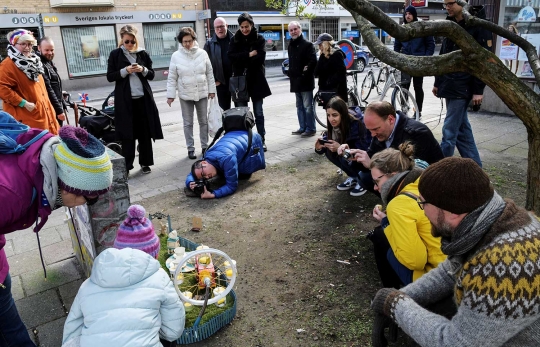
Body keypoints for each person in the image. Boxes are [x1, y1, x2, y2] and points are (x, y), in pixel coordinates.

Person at [371, 157, 540, 347]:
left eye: (423, 203)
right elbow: (450, 270)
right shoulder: (493, 220)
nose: (423, 211)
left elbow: (455, 343)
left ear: (452, 212)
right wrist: (406, 296)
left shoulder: (501, 267)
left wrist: (396, 306)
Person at [0, 115, 113, 347]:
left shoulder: (40, 163)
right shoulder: (14, 195)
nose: (85, 204)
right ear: (71, 184)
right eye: (89, 199)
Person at [62, 204, 185, 347]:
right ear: (155, 255)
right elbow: (173, 331)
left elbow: (71, 333)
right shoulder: (160, 278)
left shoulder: (88, 284)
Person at [368, 142, 446, 289]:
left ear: (393, 175)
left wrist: (387, 223)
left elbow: (416, 261)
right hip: (459, 264)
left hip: (439, 280)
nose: (374, 187)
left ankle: (397, 297)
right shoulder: (424, 182)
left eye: (377, 181)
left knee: (388, 249)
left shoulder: (398, 205)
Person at [432, 2, 492, 167]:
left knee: (449, 132)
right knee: (463, 133)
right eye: (445, 4)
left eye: (451, 3)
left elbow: (484, 62)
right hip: (450, 85)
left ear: (462, 3)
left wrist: (478, 90)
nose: (447, 7)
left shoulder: (477, 24)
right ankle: (476, 169)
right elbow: (443, 56)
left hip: (463, 87)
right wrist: (438, 81)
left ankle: (440, 171)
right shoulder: (450, 24)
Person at [339, 100, 443, 194]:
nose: (372, 135)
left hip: (431, 185)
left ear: (391, 119)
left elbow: (412, 173)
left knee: (374, 177)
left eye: (375, 129)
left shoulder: (416, 133)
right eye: (370, 130)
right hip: (404, 178)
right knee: (364, 177)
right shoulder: (382, 129)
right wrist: (354, 157)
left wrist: (372, 164)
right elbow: (371, 157)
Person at [107, 24, 163, 175]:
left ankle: (145, 163)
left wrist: (142, 69)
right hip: (125, 101)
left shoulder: (142, 54)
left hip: (143, 100)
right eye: (127, 41)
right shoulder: (115, 54)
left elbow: (151, 74)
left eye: (132, 41)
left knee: (145, 133)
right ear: (122, 40)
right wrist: (125, 71)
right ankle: (127, 166)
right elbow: (110, 76)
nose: (130, 44)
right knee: (127, 135)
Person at [167, 27, 216, 160]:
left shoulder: (202, 53)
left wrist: (212, 90)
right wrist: (170, 95)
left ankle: (205, 146)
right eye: (184, 41)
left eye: (189, 41)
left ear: (194, 40)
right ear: (181, 42)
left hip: (201, 93)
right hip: (185, 94)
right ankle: (190, 148)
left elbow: (209, 73)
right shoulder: (176, 56)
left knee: (203, 121)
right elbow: (172, 77)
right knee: (188, 123)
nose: (187, 44)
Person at [0, 29, 60, 134]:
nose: (27, 47)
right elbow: (2, 89)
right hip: (26, 118)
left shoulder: (35, 62)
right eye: (23, 44)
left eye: (30, 44)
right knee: (36, 147)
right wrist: (23, 103)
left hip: (44, 115)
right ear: (14, 44)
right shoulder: (7, 65)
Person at [228, 12, 272, 151]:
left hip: (257, 80)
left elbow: (260, 59)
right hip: (240, 82)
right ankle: (246, 141)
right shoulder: (234, 39)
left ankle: (261, 139)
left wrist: (242, 59)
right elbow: (231, 58)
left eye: (246, 26)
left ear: (251, 25)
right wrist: (248, 55)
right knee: (242, 114)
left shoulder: (259, 38)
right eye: (242, 27)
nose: (244, 29)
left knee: (258, 113)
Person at [314, 97, 370, 197]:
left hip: (366, 159)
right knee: (329, 150)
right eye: (328, 115)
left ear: (343, 114)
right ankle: (354, 177)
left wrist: (341, 148)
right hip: (350, 156)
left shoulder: (357, 124)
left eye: (334, 115)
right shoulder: (334, 125)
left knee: (344, 155)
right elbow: (325, 143)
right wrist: (319, 147)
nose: (331, 119)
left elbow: (363, 150)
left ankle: (364, 180)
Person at [185, 130, 266, 199]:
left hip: (254, 141)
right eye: (204, 177)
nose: (207, 177)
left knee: (242, 175)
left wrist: (213, 194)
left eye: (204, 174)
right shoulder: (207, 157)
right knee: (224, 172)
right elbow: (193, 173)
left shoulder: (227, 158)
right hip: (235, 134)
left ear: (204, 163)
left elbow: (231, 186)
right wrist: (191, 182)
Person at [394, 6, 435, 117]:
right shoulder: (401, 29)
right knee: (404, 87)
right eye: (406, 13)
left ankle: (418, 111)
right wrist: (399, 58)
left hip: (418, 63)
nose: (408, 16)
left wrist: (424, 59)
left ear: (414, 15)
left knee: (418, 87)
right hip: (405, 63)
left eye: (410, 14)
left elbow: (431, 45)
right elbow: (396, 46)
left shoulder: (421, 28)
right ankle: (404, 110)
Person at [287, 21, 317, 137]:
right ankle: (302, 127)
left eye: (295, 29)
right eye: (291, 30)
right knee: (299, 106)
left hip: (305, 81)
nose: (293, 31)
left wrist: (305, 71)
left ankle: (311, 128)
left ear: (300, 29)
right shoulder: (290, 45)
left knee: (307, 107)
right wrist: (290, 73)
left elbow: (313, 61)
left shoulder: (308, 44)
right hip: (295, 81)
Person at [204, 17, 234, 111]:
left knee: (240, 109)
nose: (219, 29)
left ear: (227, 26)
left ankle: (238, 126)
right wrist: (214, 81)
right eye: (217, 27)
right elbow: (205, 65)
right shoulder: (209, 44)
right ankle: (226, 126)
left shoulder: (235, 40)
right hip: (220, 83)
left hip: (236, 81)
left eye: (221, 26)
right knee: (224, 111)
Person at [37, 37, 68, 126]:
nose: (50, 53)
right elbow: (48, 88)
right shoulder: (40, 64)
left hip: (56, 103)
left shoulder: (48, 62)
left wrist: (60, 93)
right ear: (39, 48)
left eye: (52, 50)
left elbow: (53, 83)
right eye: (46, 50)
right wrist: (59, 110)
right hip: (51, 108)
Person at [314, 33, 347, 104]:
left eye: (320, 45)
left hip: (335, 90)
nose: (319, 47)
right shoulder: (323, 55)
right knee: (328, 111)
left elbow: (341, 72)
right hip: (325, 90)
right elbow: (317, 71)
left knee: (336, 111)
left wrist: (329, 82)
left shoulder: (337, 54)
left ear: (325, 44)